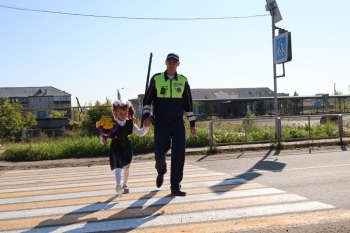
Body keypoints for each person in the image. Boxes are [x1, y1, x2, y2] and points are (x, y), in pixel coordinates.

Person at [142, 53, 196, 196]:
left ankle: (175, 186)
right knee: (160, 152)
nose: (171, 64)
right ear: (166, 62)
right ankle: (161, 171)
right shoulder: (157, 79)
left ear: (178, 64)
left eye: (174, 62)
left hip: (178, 123)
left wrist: (192, 123)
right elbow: (147, 100)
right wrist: (146, 116)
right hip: (161, 123)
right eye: (169, 61)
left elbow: (188, 104)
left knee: (179, 154)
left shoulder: (183, 81)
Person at [100, 100, 151, 196]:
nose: (123, 115)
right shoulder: (112, 123)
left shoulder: (130, 123)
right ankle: (118, 185)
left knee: (126, 167)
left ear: (128, 112)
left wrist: (146, 127)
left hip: (126, 146)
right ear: (116, 112)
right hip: (116, 146)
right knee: (118, 166)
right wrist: (103, 141)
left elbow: (140, 133)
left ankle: (125, 184)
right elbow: (104, 135)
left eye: (125, 113)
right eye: (120, 113)